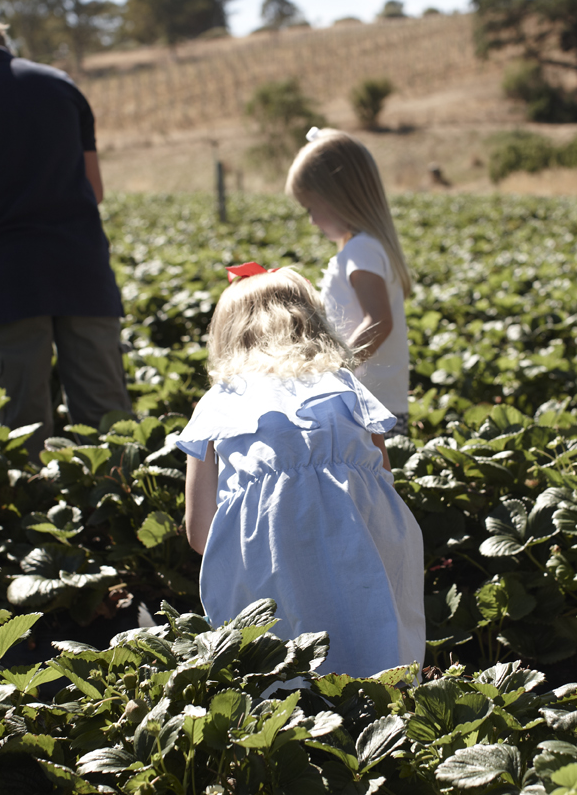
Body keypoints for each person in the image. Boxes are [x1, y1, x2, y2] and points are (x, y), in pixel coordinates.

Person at [176, 265, 425, 677]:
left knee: (285, 672)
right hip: (368, 540)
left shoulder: (217, 405)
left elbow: (201, 533)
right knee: (378, 658)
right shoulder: (346, 386)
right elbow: (383, 477)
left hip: (270, 554)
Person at [0, 4, 130, 456]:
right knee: (107, 423)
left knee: (19, 432)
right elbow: (94, 189)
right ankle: (115, 519)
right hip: (83, 272)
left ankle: (33, 522)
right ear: (2, 42)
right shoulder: (61, 87)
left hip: (9, 285)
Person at [285, 128, 413, 436]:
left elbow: (379, 321)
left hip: (369, 405)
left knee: (367, 482)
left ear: (338, 198)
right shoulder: (366, 247)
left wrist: (335, 368)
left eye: (311, 207)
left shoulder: (361, 250)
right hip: (381, 401)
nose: (312, 220)